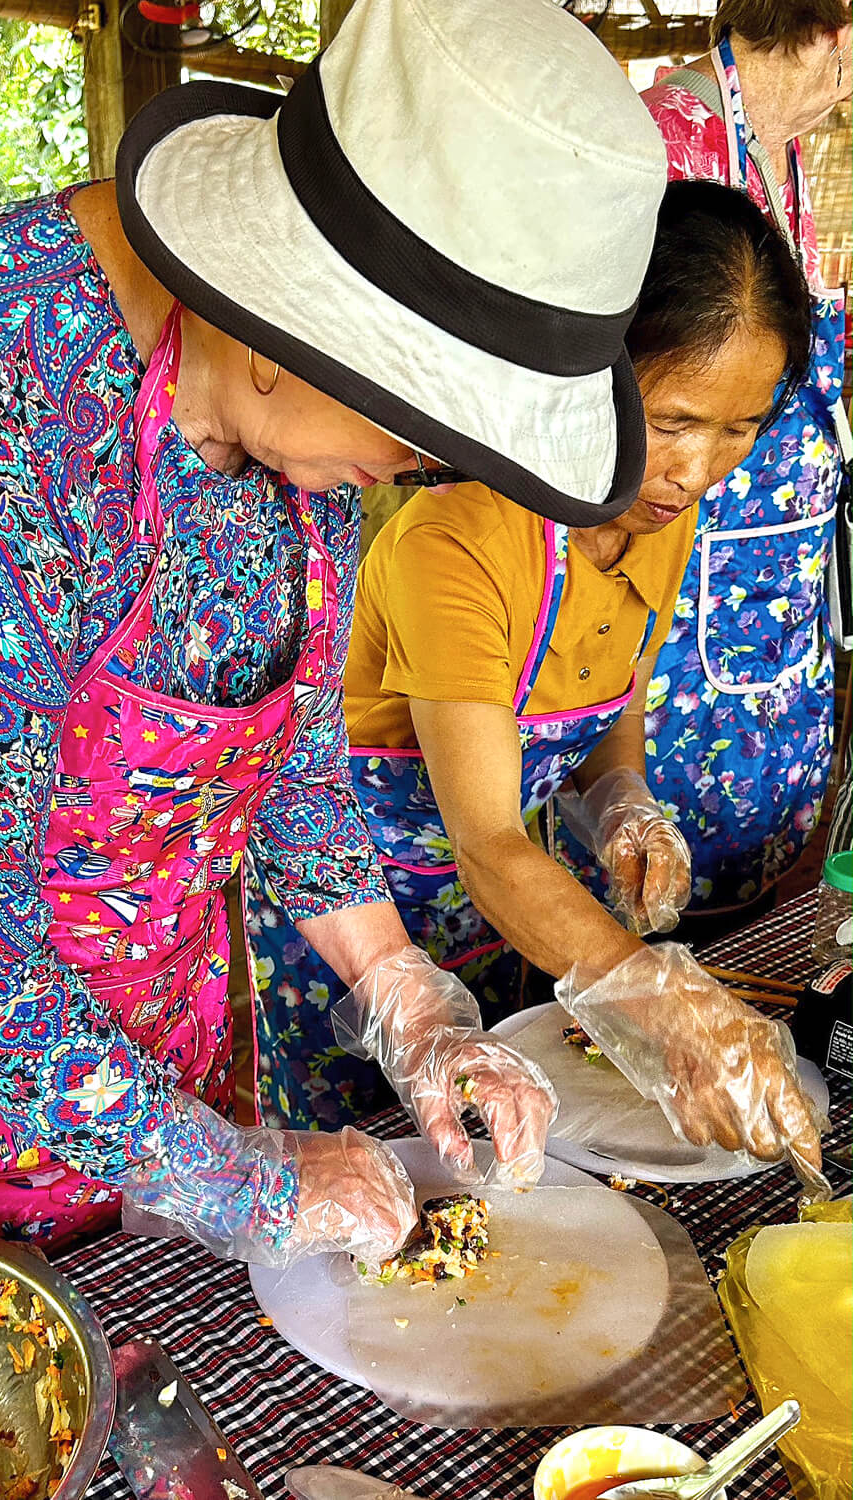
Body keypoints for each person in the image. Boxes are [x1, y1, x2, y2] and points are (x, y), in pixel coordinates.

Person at [0, 0, 669, 1265]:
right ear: (290, 324)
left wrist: (400, 991)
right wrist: (242, 1181)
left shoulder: (300, 454)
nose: (409, 474)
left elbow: (289, 762)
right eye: (415, 438)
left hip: (157, 1075)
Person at [246, 182, 819, 1139]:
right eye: (673, 422)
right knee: (381, 1179)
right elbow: (488, 840)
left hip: (515, 919)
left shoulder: (660, 516)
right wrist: (657, 1000)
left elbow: (612, 685)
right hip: (358, 942)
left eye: (740, 429)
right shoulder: (458, 539)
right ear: (590, 377)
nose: (697, 471)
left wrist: (619, 798)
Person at [636, 0, 851, 922]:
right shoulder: (664, 145)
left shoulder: (781, 155)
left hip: (775, 609)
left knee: (755, 908)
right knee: (657, 892)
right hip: (682, 599)